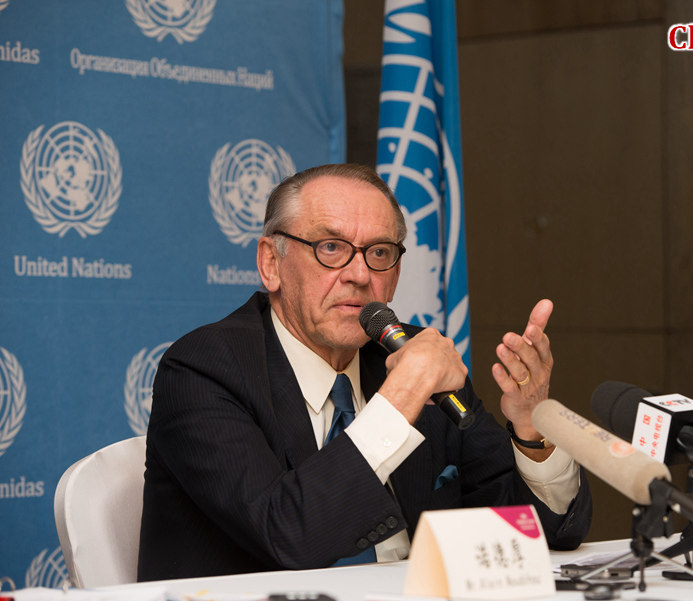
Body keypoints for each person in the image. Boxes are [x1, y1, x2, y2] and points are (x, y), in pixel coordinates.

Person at [137, 163, 591, 581]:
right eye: (331, 247)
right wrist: (403, 396)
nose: (358, 273)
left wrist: (532, 431)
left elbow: (539, 533)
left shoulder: (411, 355)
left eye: (378, 252)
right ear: (271, 264)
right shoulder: (203, 369)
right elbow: (286, 534)